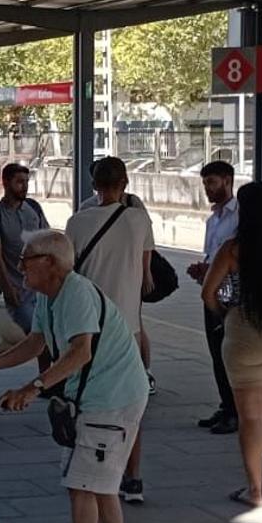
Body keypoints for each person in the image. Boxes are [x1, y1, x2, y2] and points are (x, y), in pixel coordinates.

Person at [0, 230, 148, 523]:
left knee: (82, 484)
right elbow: (37, 341)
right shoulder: (51, 295)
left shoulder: (76, 293)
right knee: (98, 482)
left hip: (111, 397)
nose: (18, 265)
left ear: (50, 263)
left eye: (26, 258)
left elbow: (80, 352)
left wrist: (32, 388)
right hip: (101, 396)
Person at [65, 157, 153, 504]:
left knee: (88, 400)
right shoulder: (138, 219)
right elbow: (146, 274)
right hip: (128, 325)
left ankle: (93, 470)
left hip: (88, 323)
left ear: (93, 184)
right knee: (130, 402)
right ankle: (133, 477)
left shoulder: (77, 222)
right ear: (126, 182)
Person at [203, 181, 262, 507]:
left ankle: (253, 490)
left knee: (251, 418)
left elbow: (208, 293)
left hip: (245, 331)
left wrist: (227, 317)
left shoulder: (232, 248)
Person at [189, 161, 240, 436]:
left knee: (229, 353)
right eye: (205, 183)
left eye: (212, 182)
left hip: (231, 295)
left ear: (227, 180)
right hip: (212, 291)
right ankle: (225, 403)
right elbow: (213, 256)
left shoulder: (239, 216)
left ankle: (235, 411)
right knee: (216, 352)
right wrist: (203, 270)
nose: (207, 189)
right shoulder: (213, 220)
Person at [0, 163, 49, 334]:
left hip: (42, 287)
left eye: (26, 182)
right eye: (19, 182)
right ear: (5, 183)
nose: (25, 187)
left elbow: (48, 240)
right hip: (18, 290)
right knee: (36, 334)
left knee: (47, 338)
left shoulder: (33, 208)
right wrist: (7, 287)